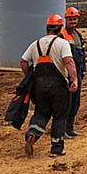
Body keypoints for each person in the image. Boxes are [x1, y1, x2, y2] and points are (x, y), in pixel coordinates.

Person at [20, 14, 78, 157]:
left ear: (47, 28)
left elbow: (23, 61)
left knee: (41, 112)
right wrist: (74, 79)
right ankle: (57, 148)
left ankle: (32, 133)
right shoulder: (62, 43)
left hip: (39, 86)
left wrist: (29, 76)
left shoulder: (36, 44)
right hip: (58, 86)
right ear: (60, 28)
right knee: (59, 115)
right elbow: (69, 62)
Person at [61, 7, 85, 138]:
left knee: (75, 102)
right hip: (67, 73)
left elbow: (82, 53)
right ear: (66, 20)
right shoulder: (62, 35)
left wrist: (83, 70)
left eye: (75, 19)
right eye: (70, 19)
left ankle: (70, 128)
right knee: (67, 102)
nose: (73, 21)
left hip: (78, 72)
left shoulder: (77, 35)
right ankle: (62, 129)